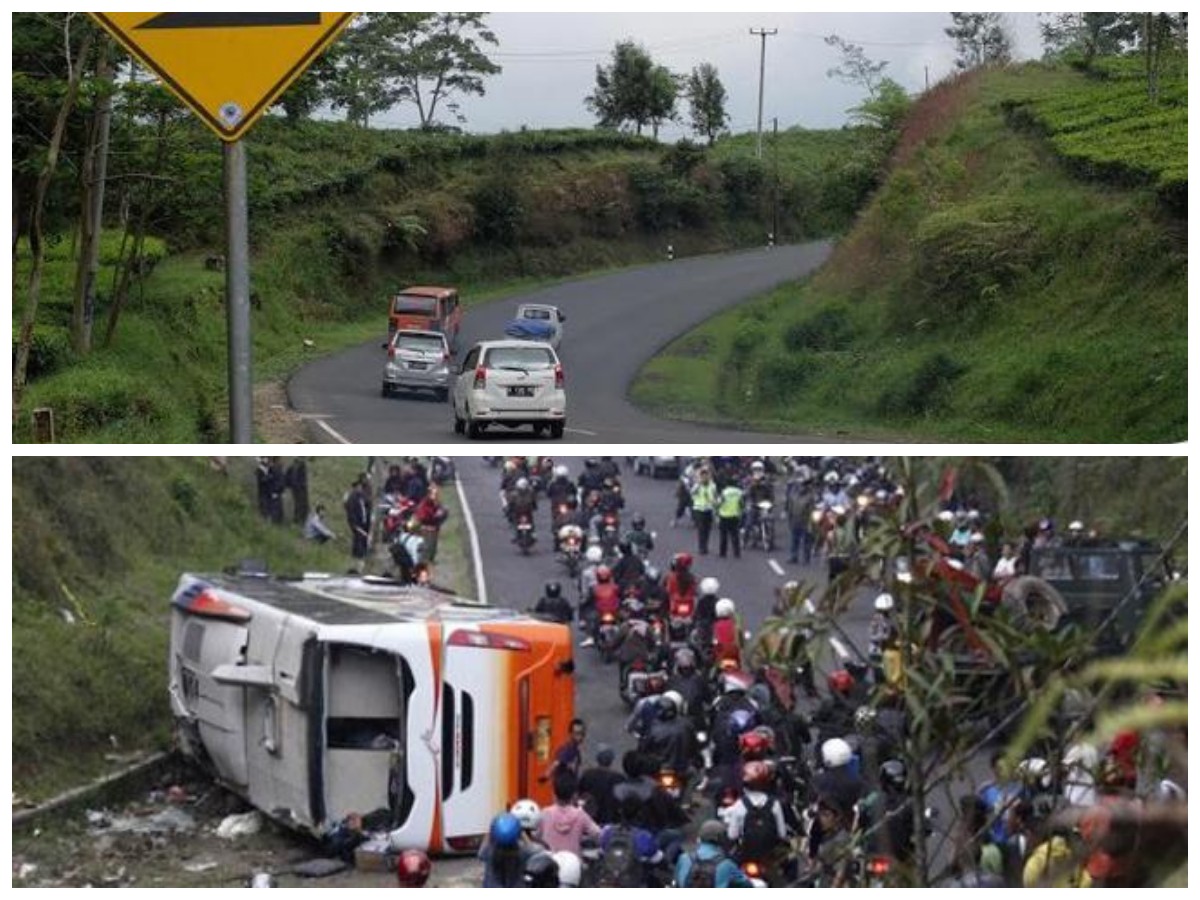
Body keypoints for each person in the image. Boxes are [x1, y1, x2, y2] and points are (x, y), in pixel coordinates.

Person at [534, 771, 601, 856]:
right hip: (574, 864)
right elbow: (598, 834)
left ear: (554, 794)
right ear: (574, 795)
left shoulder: (545, 813)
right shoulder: (580, 815)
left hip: (549, 864)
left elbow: (536, 837)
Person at [674, 820, 755, 888]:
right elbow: (748, 885)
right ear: (722, 840)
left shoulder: (683, 858)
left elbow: (676, 882)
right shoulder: (727, 865)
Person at [480, 812, 534, 888]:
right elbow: (532, 851)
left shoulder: (490, 852)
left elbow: (481, 855)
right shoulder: (521, 853)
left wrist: (489, 833)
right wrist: (523, 835)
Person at [579, 744, 626, 825]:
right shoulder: (619, 778)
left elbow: (580, 795)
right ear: (611, 760)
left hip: (590, 818)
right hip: (610, 820)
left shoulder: (587, 774)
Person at [413, 485, 448, 563]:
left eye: (436, 494)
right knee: (428, 547)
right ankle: (425, 562)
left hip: (434, 527)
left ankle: (430, 561)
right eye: (433, 494)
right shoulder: (424, 504)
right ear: (429, 494)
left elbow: (442, 513)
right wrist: (434, 516)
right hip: (426, 528)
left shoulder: (435, 504)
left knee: (433, 547)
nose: (435, 496)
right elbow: (422, 517)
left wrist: (440, 515)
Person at [344, 478, 371, 570]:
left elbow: (366, 505)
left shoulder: (361, 497)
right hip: (356, 522)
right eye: (359, 487)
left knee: (360, 538)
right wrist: (354, 523)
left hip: (362, 521)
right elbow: (351, 511)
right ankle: (359, 557)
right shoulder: (352, 498)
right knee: (359, 538)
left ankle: (358, 555)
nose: (360, 489)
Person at [690, 467, 718, 556]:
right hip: (699, 509)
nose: (705, 477)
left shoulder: (712, 485)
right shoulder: (697, 485)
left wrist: (715, 506)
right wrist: (699, 484)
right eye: (703, 475)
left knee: (707, 529)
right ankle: (701, 547)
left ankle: (705, 546)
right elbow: (692, 493)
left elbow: (714, 496)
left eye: (706, 475)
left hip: (709, 509)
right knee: (701, 529)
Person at [717, 479, 745, 559]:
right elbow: (742, 503)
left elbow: (719, 502)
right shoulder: (739, 492)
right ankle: (736, 552)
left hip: (724, 515)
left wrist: (717, 511)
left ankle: (723, 553)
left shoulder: (724, 492)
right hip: (735, 515)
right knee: (735, 535)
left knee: (723, 535)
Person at [285, 457, 309, 525]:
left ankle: (299, 520)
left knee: (299, 505)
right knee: (300, 505)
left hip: (297, 488)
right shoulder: (300, 466)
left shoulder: (293, 466)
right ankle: (300, 521)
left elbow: (287, 478)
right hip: (300, 489)